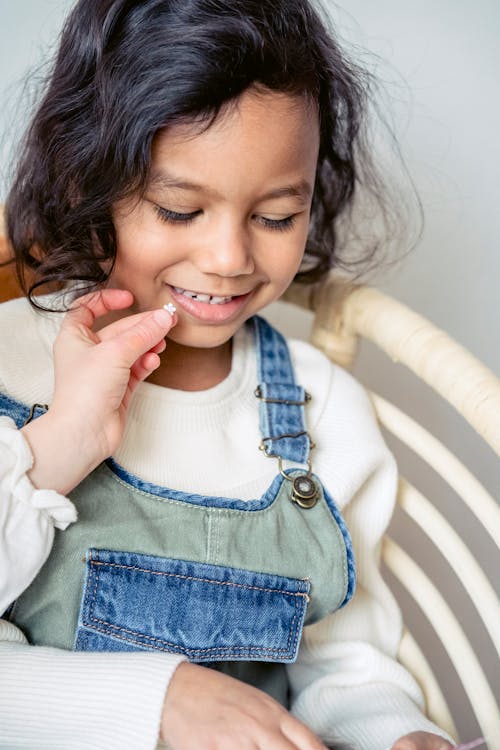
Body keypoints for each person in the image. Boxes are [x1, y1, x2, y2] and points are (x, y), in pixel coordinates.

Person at [0, 1, 456, 748]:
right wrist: (62, 441)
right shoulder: (9, 366)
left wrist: (400, 733)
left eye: (276, 215)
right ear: (91, 182)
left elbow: (345, 662)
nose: (228, 259)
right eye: (179, 209)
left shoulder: (323, 409)